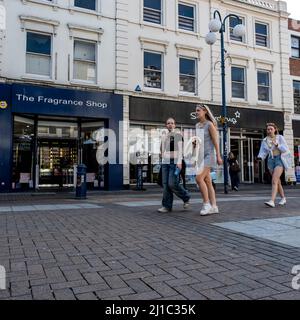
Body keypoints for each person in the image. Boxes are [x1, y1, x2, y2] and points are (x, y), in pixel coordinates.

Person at [193, 104, 223, 215]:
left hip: (209, 155)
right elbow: (199, 142)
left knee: (198, 178)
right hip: (201, 156)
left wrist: (218, 156)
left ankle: (206, 204)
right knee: (208, 181)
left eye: (198, 110)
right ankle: (214, 206)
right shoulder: (197, 125)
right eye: (196, 111)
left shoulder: (209, 125)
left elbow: (216, 141)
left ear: (205, 111)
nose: (196, 112)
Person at [157, 118, 190, 213]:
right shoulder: (164, 136)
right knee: (166, 185)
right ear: (166, 125)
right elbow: (161, 150)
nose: (170, 125)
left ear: (175, 125)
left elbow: (181, 150)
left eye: (172, 123)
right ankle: (166, 206)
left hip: (175, 162)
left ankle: (186, 196)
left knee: (172, 183)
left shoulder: (178, 135)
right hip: (165, 162)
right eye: (168, 123)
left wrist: (179, 161)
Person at [258, 122, 290, 207]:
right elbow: (263, 151)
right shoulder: (265, 140)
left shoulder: (280, 138)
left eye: (271, 129)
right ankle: (283, 198)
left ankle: (272, 201)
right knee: (278, 182)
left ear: (275, 129)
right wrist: (260, 157)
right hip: (270, 161)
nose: (269, 131)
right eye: (268, 129)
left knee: (274, 180)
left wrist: (277, 145)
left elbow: (286, 149)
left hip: (279, 159)